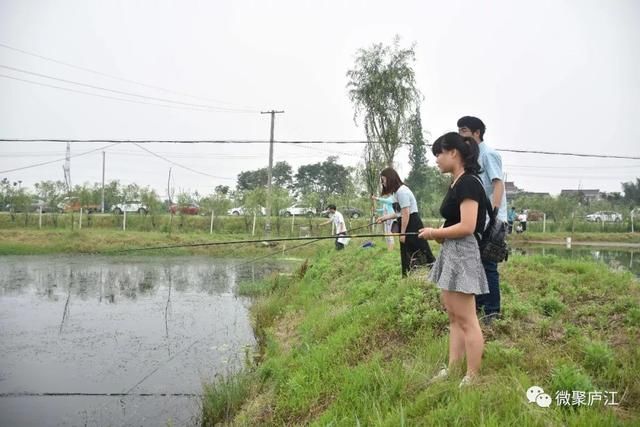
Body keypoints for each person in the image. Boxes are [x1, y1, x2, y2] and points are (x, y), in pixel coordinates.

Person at [418, 132, 489, 387]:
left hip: (464, 252)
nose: (436, 159)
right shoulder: (457, 182)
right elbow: (456, 222)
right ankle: (453, 368)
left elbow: (468, 225)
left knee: (467, 318)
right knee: (453, 317)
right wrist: (440, 235)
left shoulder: (469, 182)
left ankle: (472, 376)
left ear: (453, 153)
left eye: (439, 153)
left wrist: (435, 233)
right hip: (452, 250)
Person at [458, 116, 506, 323]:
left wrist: (493, 216)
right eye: (459, 130)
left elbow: (498, 185)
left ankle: (492, 311)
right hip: (481, 218)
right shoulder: (473, 157)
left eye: (464, 130)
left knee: (488, 265)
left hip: (492, 219)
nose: (461, 134)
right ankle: (479, 306)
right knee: (476, 262)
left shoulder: (488, 154)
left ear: (477, 132)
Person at [376, 168, 435, 277]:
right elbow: (399, 213)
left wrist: (403, 233)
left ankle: (433, 273)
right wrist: (384, 218)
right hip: (406, 222)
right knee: (406, 251)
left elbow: (406, 213)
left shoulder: (402, 191)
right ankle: (409, 275)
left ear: (390, 178)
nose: (383, 183)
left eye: (383, 180)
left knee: (421, 249)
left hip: (412, 223)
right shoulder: (395, 193)